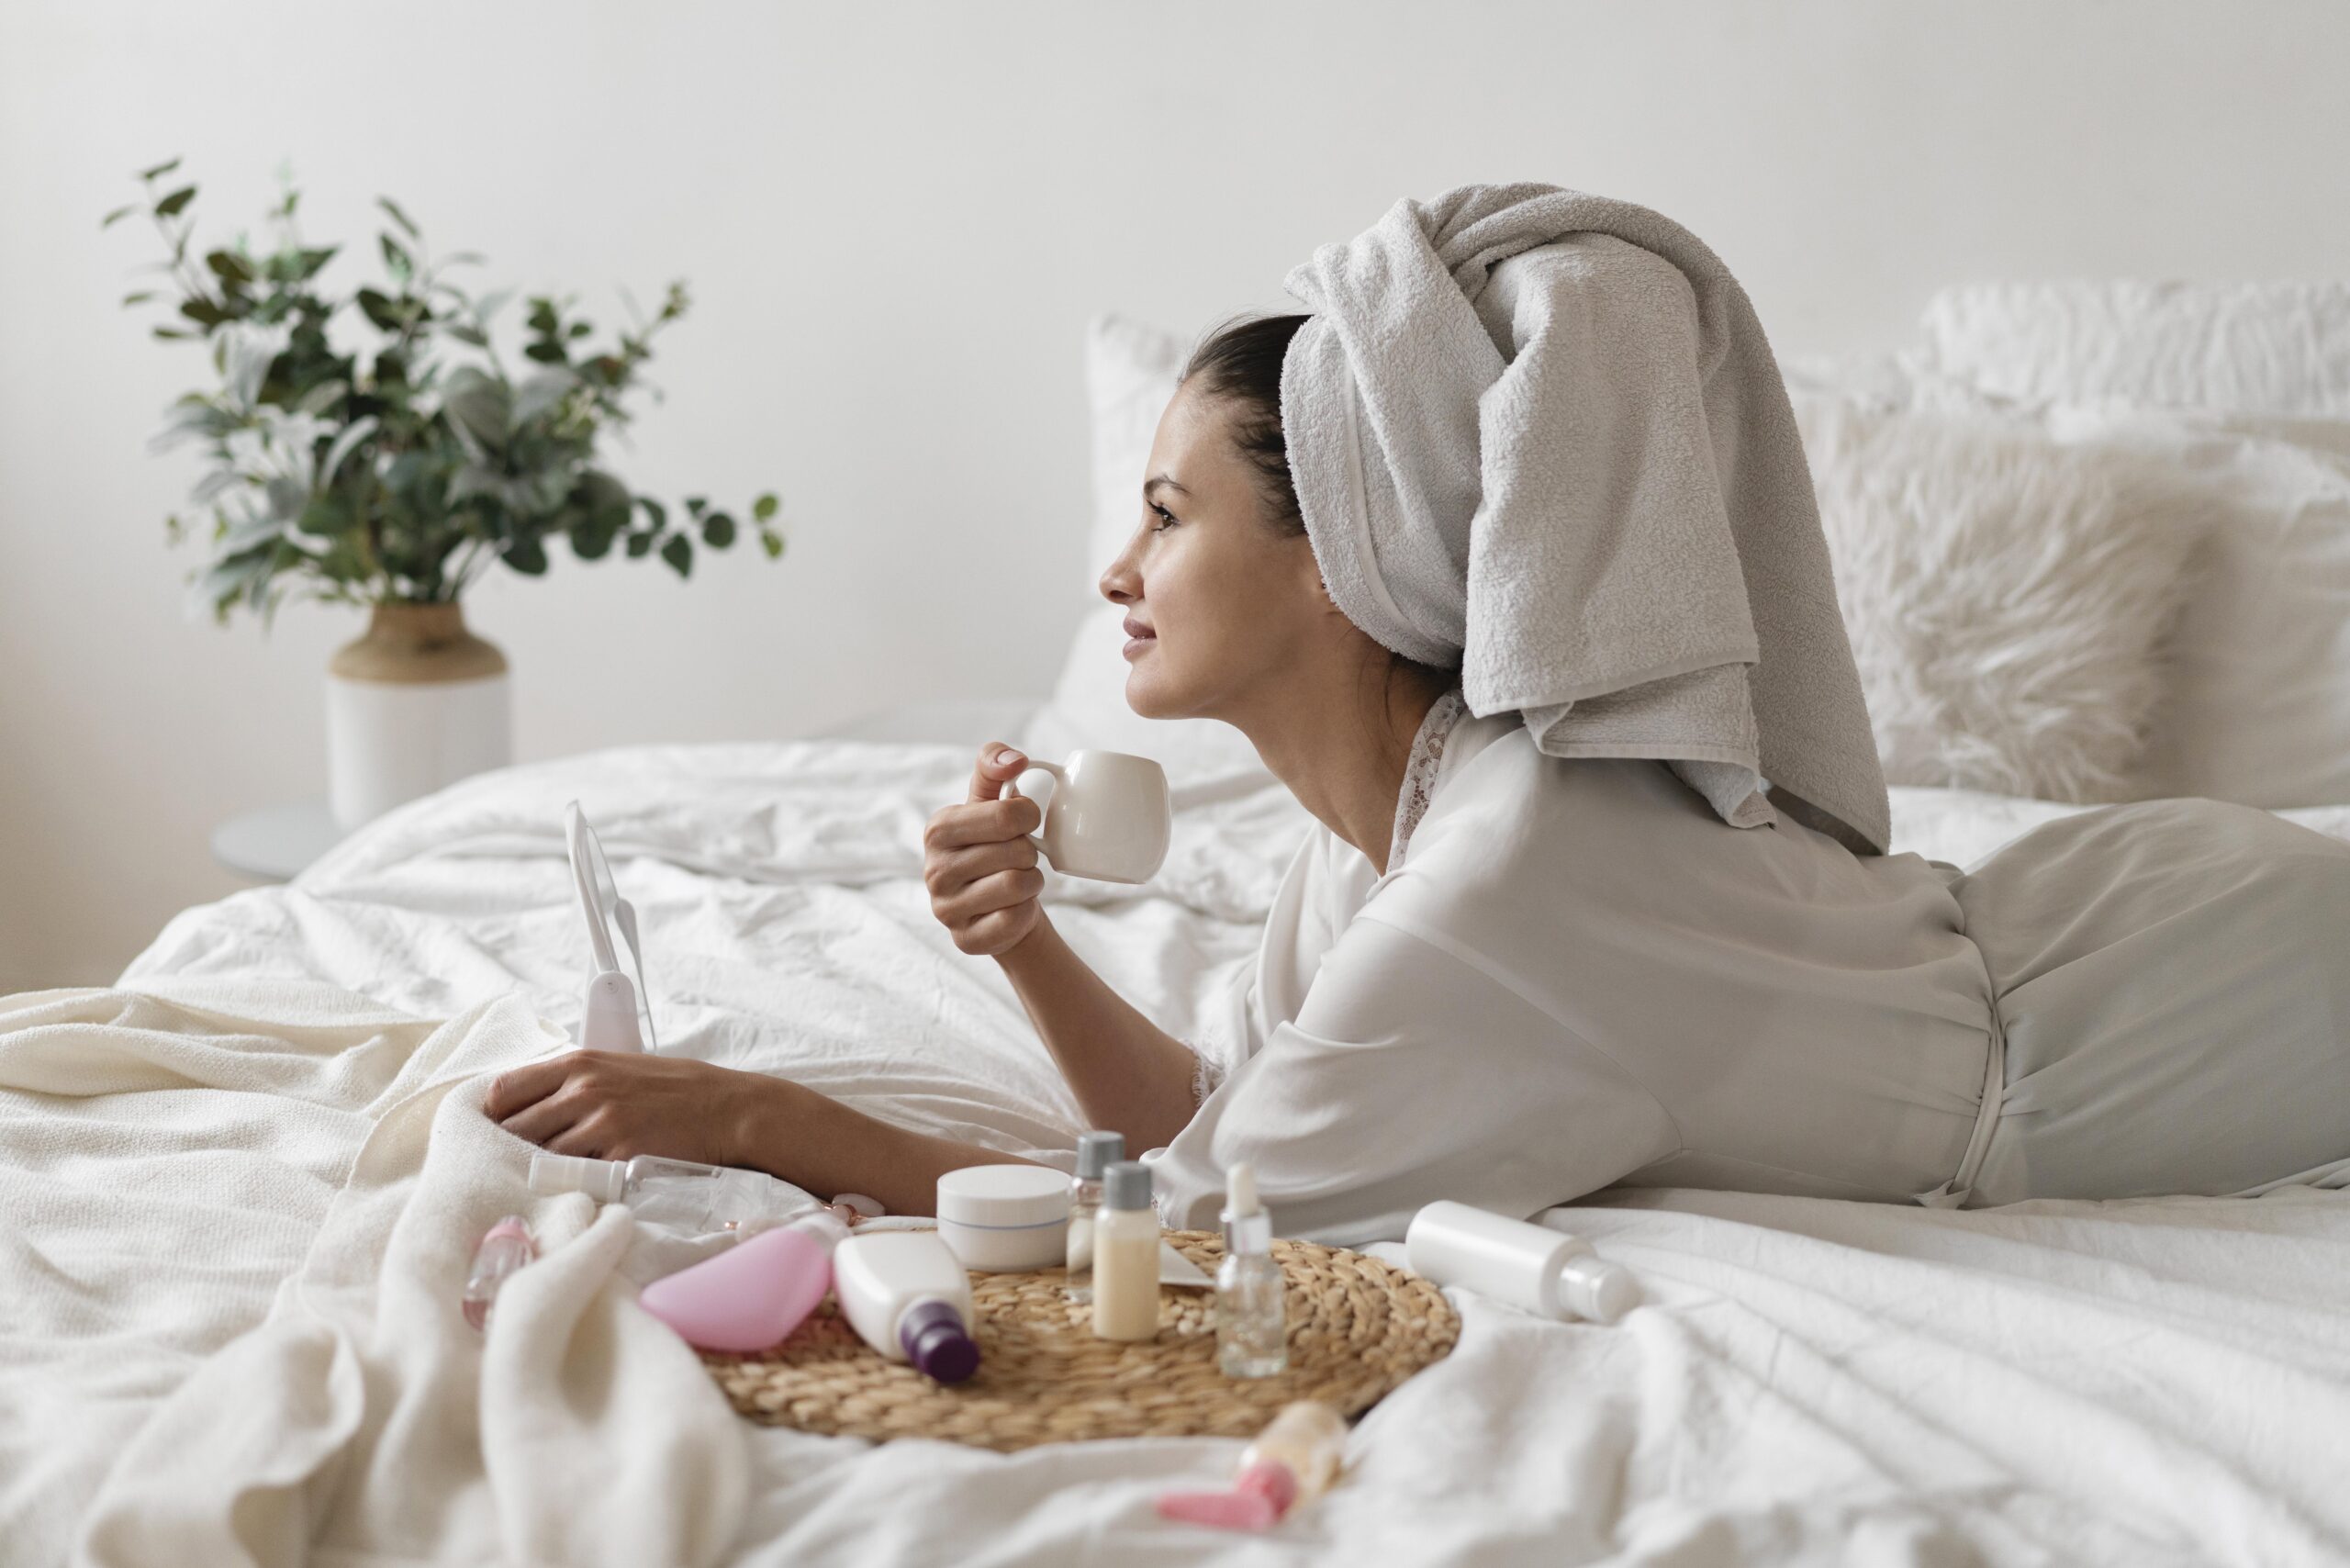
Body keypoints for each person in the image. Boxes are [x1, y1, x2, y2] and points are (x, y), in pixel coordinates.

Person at [487, 185, 2350, 1241]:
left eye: (1163, 509)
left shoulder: (1513, 875)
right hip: (2063, 925)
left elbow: (1188, 1229)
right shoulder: (1413, 815)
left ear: (1332, 555)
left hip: (2163, 999)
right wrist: (1031, 944)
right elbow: (1232, 1121)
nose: (1113, 565)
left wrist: (741, 1109)